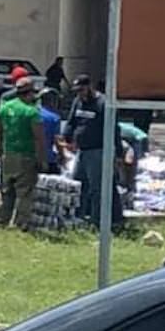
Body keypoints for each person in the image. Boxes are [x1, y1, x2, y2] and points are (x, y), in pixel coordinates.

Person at [0, 76, 45, 231]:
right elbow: (39, 138)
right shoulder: (32, 112)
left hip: (8, 155)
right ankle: (20, 224)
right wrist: (42, 159)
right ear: (30, 93)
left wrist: (1, 152)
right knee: (25, 192)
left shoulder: (5, 108)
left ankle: (0, 221)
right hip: (26, 156)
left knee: (6, 190)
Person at [62, 74, 107, 223]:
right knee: (78, 184)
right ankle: (78, 218)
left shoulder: (102, 103)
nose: (79, 93)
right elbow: (71, 121)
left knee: (95, 188)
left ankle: (96, 220)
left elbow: (112, 128)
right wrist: (67, 137)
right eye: (77, 91)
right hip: (81, 151)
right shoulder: (78, 102)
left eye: (82, 90)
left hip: (96, 151)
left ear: (89, 87)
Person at [118, 119, 149, 207]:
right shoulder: (121, 128)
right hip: (138, 138)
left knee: (130, 168)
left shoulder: (115, 128)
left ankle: (129, 195)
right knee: (127, 168)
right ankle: (128, 193)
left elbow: (128, 155)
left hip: (139, 140)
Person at [39, 89, 64, 175]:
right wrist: (62, 155)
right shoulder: (54, 117)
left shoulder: (31, 113)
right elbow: (57, 140)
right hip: (47, 158)